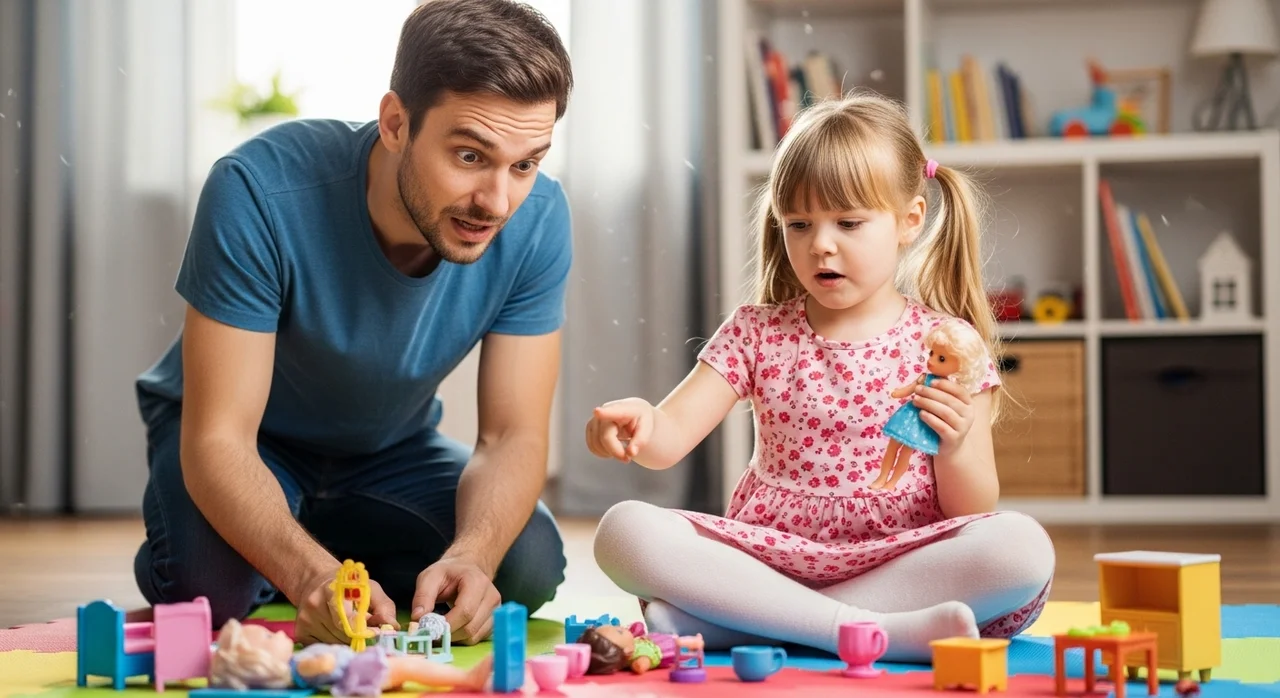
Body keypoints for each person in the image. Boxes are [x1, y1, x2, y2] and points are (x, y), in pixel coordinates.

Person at [132, 0, 574, 647]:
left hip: (386, 451)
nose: (498, 202)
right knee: (209, 591)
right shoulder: (256, 189)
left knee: (524, 566)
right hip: (244, 440)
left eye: (526, 163)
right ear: (395, 123)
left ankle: (321, 550)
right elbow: (221, 436)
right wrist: (311, 576)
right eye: (471, 156)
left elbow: (510, 437)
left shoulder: (538, 223)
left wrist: (473, 557)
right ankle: (290, 552)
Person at [585, 91, 1056, 663]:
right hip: (770, 555)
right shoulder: (756, 331)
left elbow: (971, 509)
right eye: (800, 224)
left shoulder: (949, 346)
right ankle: (860, 629)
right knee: (623, 531)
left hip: (898, 559)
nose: (820, 245)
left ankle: (754, 622)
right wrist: (641, 425)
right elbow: (668, 440)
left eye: (849, 222)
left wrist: (955, 449)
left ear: (910, 220)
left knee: (1022, 549)